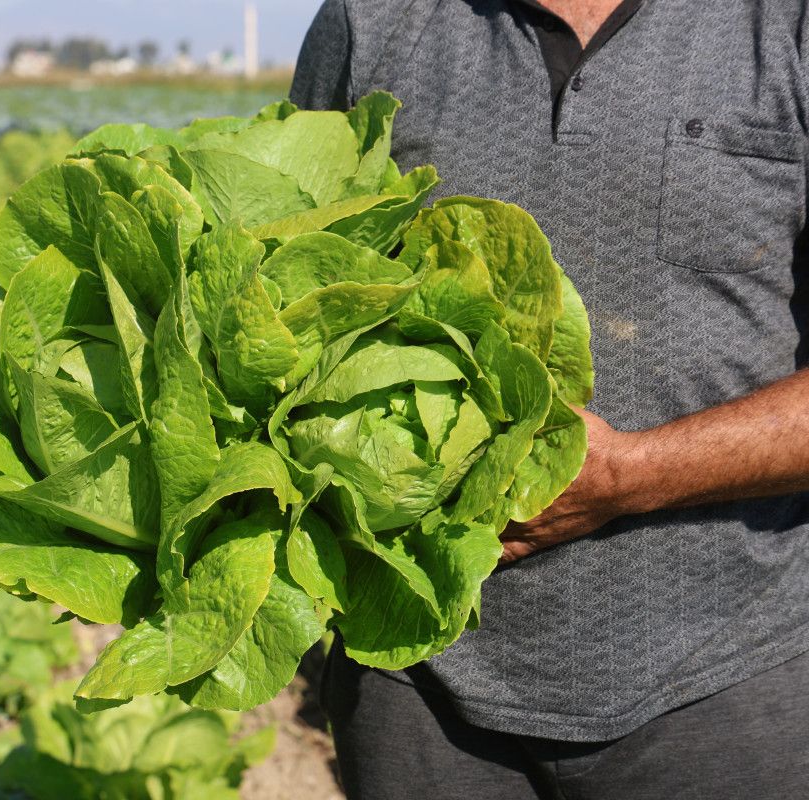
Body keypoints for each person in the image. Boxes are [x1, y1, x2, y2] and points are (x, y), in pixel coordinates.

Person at [290, 1, 809, 798]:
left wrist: (633, 475)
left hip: (723, 677)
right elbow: (281, 302)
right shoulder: (375, 21)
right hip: (413, 675)